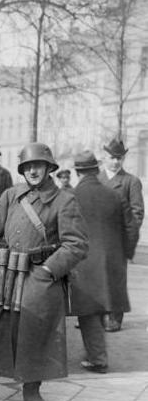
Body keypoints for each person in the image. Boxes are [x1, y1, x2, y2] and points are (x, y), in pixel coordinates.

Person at [0, 142, 87, 401]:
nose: (33, 171)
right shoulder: (11, 196)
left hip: (40, 276)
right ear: (22, 170)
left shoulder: (64, 201)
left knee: (34, 332)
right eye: (28, 166)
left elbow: (77, 244)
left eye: (38, 165)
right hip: (5, 272)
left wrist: (48, 271)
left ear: (49, 168)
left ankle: (31, 388)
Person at [69, 150, 138, 374]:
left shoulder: (71, 197)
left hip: (83, 263)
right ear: (96, 170)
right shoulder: (115, 195)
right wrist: (125, 254)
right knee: (96, 311)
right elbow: (131, 229)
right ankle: (97, 356)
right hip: (111, 262)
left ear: (78, 172)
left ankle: (98, 359)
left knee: (88, 312)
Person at [98, 138, 144, 332]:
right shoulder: (95, 180)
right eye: (112, 157)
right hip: (96, 240)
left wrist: (126, 239)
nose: (115, 161)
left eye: (119, 158)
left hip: (117, 241)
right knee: (96, 278)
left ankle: (115, 318)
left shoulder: (130, 182)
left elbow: (137, 213)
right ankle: (95, 317)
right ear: (104, 157)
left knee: (116, 279)